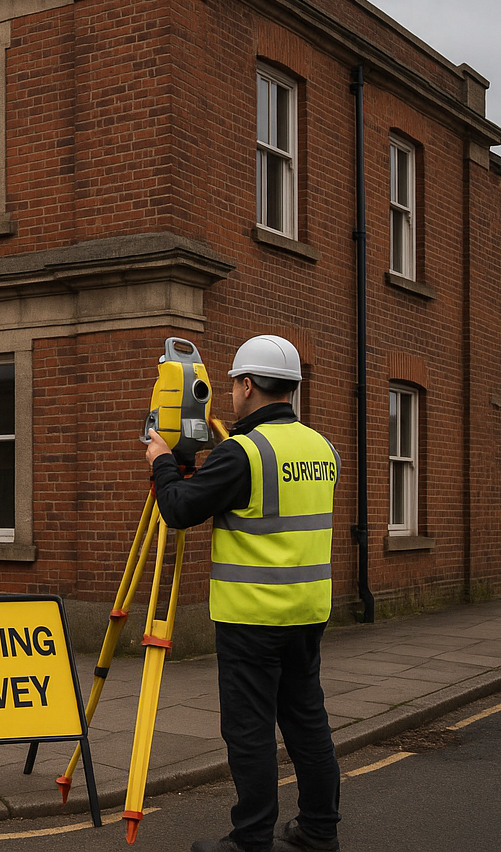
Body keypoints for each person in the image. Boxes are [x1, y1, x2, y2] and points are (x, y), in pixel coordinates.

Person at [144, 334, 341, 852]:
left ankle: (251, 840)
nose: (229, 393)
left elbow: (180, 508)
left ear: (248, 385)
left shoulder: (244, 453)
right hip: (308, 613)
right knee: (307, 724)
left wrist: (161, 458)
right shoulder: (324, 448)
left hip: (252, 619)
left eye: (233, 383)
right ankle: (319, 831)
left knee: (250, 733)